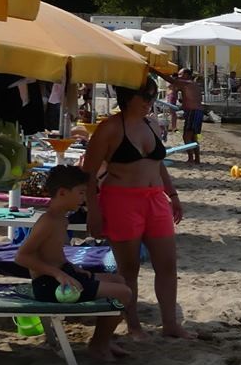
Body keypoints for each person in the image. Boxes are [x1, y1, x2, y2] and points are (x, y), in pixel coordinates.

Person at [82, 78, 191, 340]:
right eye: (144, 95)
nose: (149, 101)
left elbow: (158, 164)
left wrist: (172, 194)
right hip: (121, 200)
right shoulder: (110, 129)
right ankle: (134, 325)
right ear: (127, 96)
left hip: (155, 199)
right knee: (129, 268)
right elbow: (87, 173)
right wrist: (93, 210)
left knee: (167, 264)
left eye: (152, 96)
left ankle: (170, 325)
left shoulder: (151, 123)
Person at [15, 166, 136, 363]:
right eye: (80, 193)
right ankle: (99, 344)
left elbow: (53, 253)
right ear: (62, 192)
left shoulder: (61, 219)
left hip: (61, 275)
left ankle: (103, 340)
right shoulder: (48, 221)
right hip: (49, 286)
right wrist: (59, 274)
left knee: (119, 280)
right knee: (123, 293)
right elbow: (22, 256)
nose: (84, 198)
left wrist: (71, 268)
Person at [171, 68, 204, 164]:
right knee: (195, 137)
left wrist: (155, 71)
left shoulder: (188, 83)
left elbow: (171, 81)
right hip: (198, 112)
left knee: (186, 136)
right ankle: (197, 159)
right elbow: (192, 100)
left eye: (180, 74)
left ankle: (190, 158)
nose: (178, 76)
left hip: (192, 112)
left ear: (186, 75)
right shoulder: (193, 84)